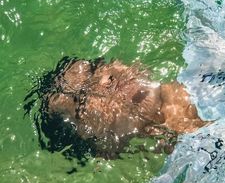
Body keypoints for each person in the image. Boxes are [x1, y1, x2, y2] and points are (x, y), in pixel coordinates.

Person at [29, 57, 207, 159]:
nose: (105, 80)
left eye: (93, 69)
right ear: (105, 150)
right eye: (81, 99)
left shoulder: (211, 48)